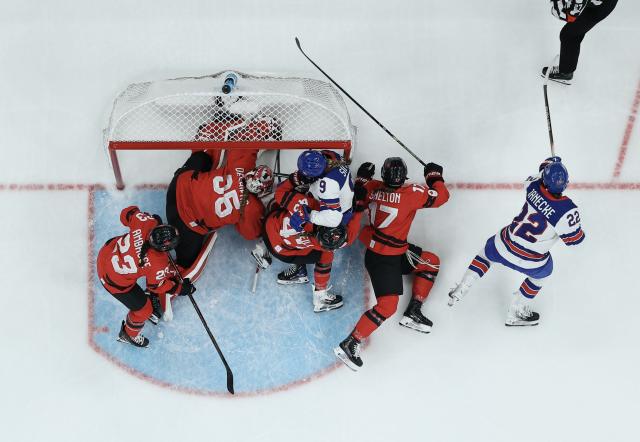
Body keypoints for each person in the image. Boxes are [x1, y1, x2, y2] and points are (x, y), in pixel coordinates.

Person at [334, 157, 450, 371]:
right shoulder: (412, 194)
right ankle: (351, 342)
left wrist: (361, 179)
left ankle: (413, 311)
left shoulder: (373, 187)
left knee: (430, 262)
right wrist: (434, 176)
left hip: (389, 251)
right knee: (387, 306)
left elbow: (358, 192)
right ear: (404, 176)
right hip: (384, 258)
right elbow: (442, 196)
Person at [448, 157, 585, 326]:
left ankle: (462, 287)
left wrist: (550, 162)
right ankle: (515, 310)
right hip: (531, 263)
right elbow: (575, 240)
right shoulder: (567, 210)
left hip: (503, 245)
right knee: (543, 274)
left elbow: (540, 172)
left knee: (484, 255)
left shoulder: (532, 186)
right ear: (566, 184)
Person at [165, 147, 274, 282]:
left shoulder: (241, 167)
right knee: (185, 265)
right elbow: (250, 233)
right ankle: (165, 278)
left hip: (178, 184)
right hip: (184, 223)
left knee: (203, 158)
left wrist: (263, 132)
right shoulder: (253, 209)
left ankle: (205, 145)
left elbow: (244, 145)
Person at [96, 206, 195, 348]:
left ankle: (144, 297)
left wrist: (145, 218)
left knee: (149, 271)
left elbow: (126, 214)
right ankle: (128, 335)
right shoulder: (157, 264)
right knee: (144, 311)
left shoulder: (144, 222)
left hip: (107, 252)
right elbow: (156, 286)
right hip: (113, 281)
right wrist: (180, 289)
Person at [259, 178, 361, 312]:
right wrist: (360, 205)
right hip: (284, 249)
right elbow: (351, 232)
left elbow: (280, 192)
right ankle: (320, 297)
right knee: (326, 254)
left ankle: (299, 270)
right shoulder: (324, 245)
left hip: (270, 230)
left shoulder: (307, 205)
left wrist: (299, 176)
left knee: (289, 197)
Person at [271, 149, 355, 284]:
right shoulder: (332, 156)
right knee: (324, 247)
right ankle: (319, 291)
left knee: (322, 245)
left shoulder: (327, 185)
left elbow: (333, 219)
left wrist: (309, 215)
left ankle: (301, 270)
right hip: (337, 207)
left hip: (333, 214)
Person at [543, 0, 618, 84]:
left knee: (569, 35)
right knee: (575, 31)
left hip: (600, 7)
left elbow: (570, 16)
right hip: (598, 3)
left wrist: (558, 6)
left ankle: (565, 73)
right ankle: (567, 69)